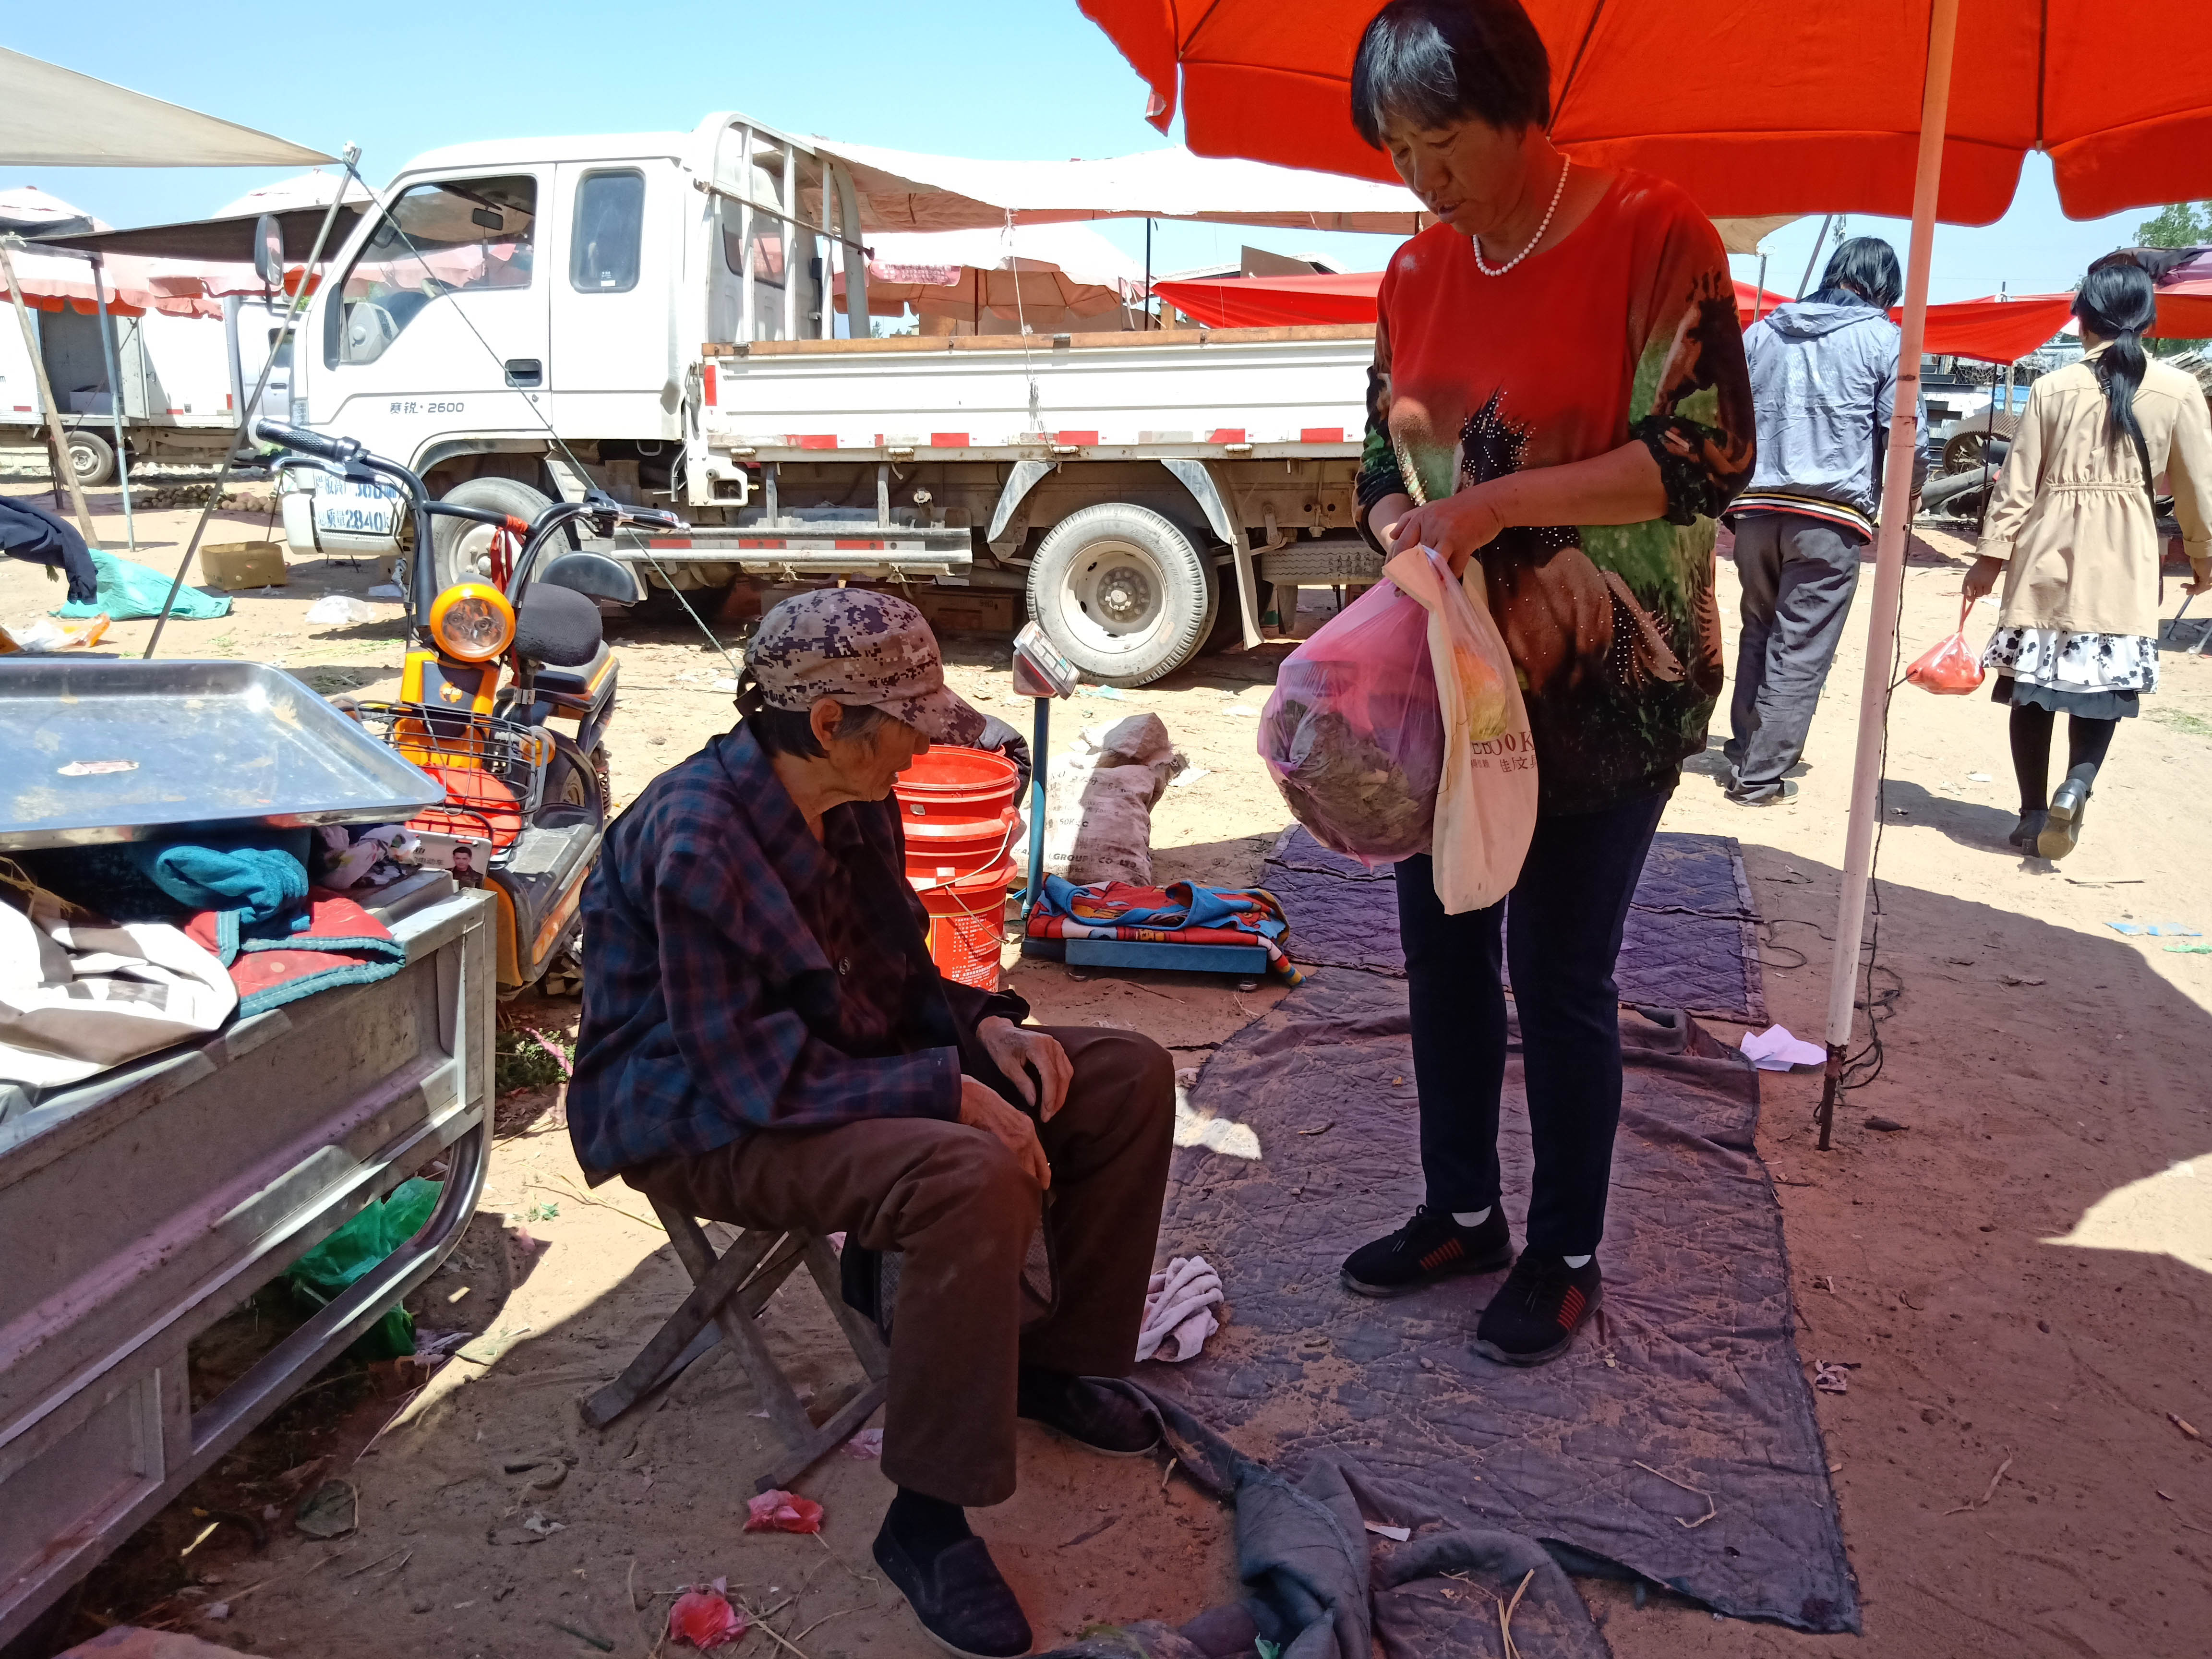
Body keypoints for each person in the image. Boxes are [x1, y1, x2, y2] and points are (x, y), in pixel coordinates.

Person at [565, 589, 1173, 1659]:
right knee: (964, 1174)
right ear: (831, 722)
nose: (927, 743)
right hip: (694, 1109)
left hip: (803, 1067)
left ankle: (1053, 1365)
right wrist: (942, 1091)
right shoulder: (700, 836)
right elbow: (752, 1077)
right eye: (908, 722)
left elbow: (893, 978)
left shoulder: (854, 798)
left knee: (1120, 1073)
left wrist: (981, 1029)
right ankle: (928, 1520)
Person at [1340, 0, 1755, 1365]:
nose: (1424, 178)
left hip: (1607, 681)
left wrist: (1502, 503)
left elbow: (1702, 458)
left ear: (1526, 110)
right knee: (1445, 951)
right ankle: (1462, 1207)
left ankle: (1569, 1248)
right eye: (1399, 152)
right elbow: (1376, 469)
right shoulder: (1413, 272)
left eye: (1443, 142)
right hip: (1450, 678)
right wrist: (1404, 527)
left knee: (1557, 972)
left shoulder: (1655, 235)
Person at [1964, 253, 2212, 858]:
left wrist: (1989, 560)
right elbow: (2198, 490)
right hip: (2125, 557)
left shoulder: (2052, 387)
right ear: (2149, 322)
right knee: (2104, 689)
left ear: (2083, 319)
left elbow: (2017, 485)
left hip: (2047, 551)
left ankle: (2029, 815)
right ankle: (2077, 785)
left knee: (2032, 689)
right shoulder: (2179, 391)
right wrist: (2206, 561)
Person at [1724, 238, 1928, 805]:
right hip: (1829, 518)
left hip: (1755, 513)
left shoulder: (1760, 333)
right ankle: (1760, 777)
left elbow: (1723, 417)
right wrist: (1904, 503)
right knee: (1802, 646)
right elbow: (1910, 437)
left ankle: (1745, 752)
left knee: (1760, 632)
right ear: (1886, 287)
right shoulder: (1888, 341)